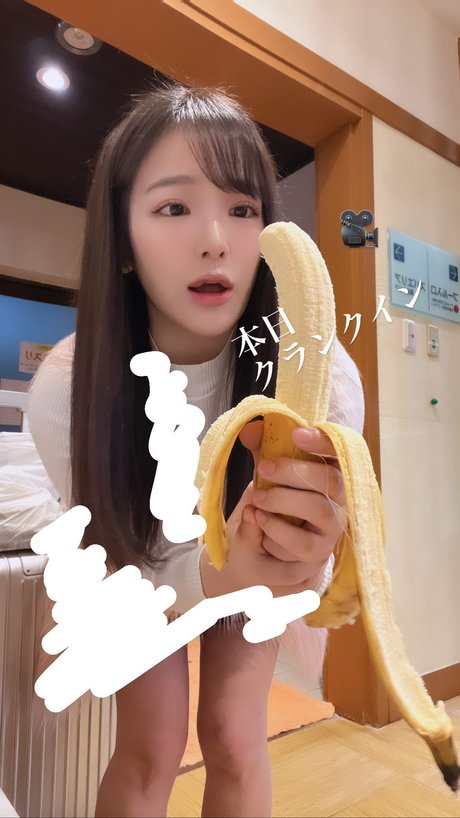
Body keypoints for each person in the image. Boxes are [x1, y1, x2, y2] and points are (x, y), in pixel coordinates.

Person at [28, 80, 365, 818]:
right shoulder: (68, 387)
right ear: (122, 241)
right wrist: (212, 575)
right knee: (151, 745)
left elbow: (312, 557)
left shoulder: (320, 373)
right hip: (135, 557)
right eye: (174, 207)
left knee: (235, 734)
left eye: (243, 209)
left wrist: (300, 554)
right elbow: (119, 564)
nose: (216, 239)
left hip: (248, 558)